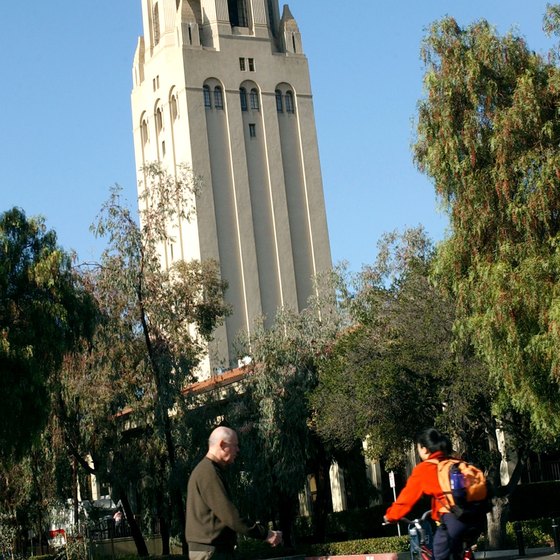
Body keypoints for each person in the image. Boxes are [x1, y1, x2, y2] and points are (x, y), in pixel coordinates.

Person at [384, 428, 484, 560]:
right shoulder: (455, 462)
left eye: (418, 448)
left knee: (439, 554)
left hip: (454, 520)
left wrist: (391, 516)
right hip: (477, 517)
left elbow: (406, 500)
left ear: (424, 449)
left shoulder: (425, 469)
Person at [186, 426, 282, 560]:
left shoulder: (207, 470)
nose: (238, 450)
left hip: (210, 550)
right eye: (235, 445)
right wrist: (266, 534)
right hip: (212, 552)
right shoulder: (208, 472)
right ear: (222, 445)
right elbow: (230, 516)